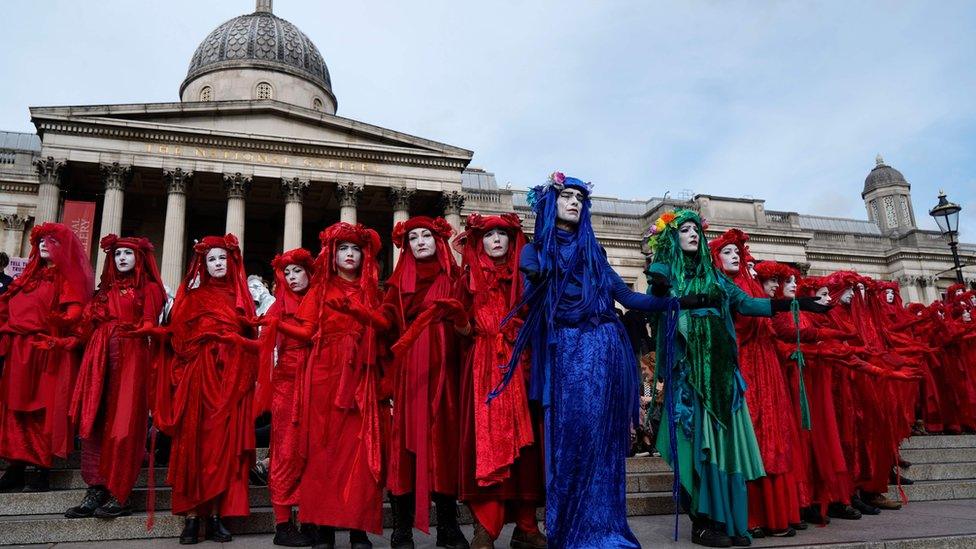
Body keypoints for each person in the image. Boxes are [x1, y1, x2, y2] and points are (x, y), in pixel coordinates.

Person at [498, 172, 707, 549]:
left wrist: (678, 301)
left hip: (604, 348)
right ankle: (569, 530)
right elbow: (529, 297)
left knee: (602, 443)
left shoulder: (595, 254)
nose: (575, 202)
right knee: (570, 441)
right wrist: (537, 274)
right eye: (567, 196)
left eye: (580, 197)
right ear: (552, 203)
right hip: (565, 351)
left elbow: (630, 298)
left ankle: (603, 529)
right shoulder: (535, 249)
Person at [644, 209, 829, 548]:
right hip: (689, 373)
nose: (692, 234)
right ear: (673, 237)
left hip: (721, 369)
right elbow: (655, 297)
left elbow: (747, 304)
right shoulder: (667, 270)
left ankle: (727, 521)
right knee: (694, 444)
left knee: (722, 447)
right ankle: (701, 523)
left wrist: (799, 303)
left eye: (696, 230)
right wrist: (659, 277)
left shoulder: (717, 278)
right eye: (684, 230)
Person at [135, 234, 259, 544]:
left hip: (228, 383)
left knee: (222, 450)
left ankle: (216, 516)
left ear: (232, 262)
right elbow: (178, 341)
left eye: (222, 258)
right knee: (192, 447)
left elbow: (252, 344)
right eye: (211, 259)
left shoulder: (240, 299)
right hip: (196, 380)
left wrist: (233, 349)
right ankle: (191, 518)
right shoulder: (191, 298)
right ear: (203, 264)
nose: (218, 263)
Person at [272, 223, 388, 549]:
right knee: (322, 454)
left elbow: (386, 330)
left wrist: (363, 313)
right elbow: (308, 331)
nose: (349, 254)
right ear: (333, 256)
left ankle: (357, 530)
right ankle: (323, 528)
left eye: (355, 249)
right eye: (343, 249)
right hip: (323, 376)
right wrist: (275, 325)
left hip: (360, 380)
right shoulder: (320, 290)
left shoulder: (373, 292)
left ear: (364, 255)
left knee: (359, 455)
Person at [453, 213, 546, 549]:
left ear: (512, 241)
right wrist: (461, 321)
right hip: (482, 371)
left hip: (520, 368)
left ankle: (526, 527)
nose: (496, 239)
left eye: (502, 234)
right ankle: (485, 529)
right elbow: (459, 330)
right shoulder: (467, 280)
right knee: (486, 446)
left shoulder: (526, 279)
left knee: (526, 451)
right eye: (489, 234)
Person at [709, 231, 803, 538]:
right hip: (742, 367)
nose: (736, 255)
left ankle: (777, 513)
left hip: (766, 368)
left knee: (773, 436)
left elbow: (770, 328)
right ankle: (752, 516)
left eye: (738, 251)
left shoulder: (747, 285)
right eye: (727, 251)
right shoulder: (721, 286)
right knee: (752, 437)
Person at [64, 235, 165, 519]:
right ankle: (96, 488)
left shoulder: (150, 289)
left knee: (124, 425)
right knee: (95, 421)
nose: (121, 258)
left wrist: (141, 329)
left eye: (127, 253)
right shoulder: (104, 291)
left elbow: (149, 321)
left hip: (131, 353)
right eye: (117, 253)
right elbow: (85, 326)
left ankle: (120, 492)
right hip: (99, 356)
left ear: (139, 258)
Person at [383, 216, 468, 549]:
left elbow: (467, 329)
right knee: (404, 450)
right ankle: (401, 528)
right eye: (413, 237)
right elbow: (384, 332)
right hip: (409, 378)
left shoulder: (456, 279)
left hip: (445, 375)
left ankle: (448, 526)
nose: (419, 241)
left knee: (443, 448)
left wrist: (460, 318)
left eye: (426, 236)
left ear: (438, 241)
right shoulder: (394, 287)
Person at [0, 223, 93, 492]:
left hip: (45, 352)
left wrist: (57, 324)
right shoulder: (27, 278)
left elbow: (76, 314)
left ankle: (41, 468)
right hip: (19, 351)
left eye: (51, 240)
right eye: (40, 239)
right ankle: (15, 467)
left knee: (43, 410)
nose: (43, 244)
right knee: (14, 410)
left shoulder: (66, 279)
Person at [256, 248, 316, 547]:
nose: (292, 278)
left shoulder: (320, 298)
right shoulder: (277, 307)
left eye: (297, 271)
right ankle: (283, 524)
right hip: (287, 384)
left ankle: (309, 519)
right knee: (285, 451)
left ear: (309, 271)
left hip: (317, 381)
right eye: (286, 273)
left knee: (312, 451)